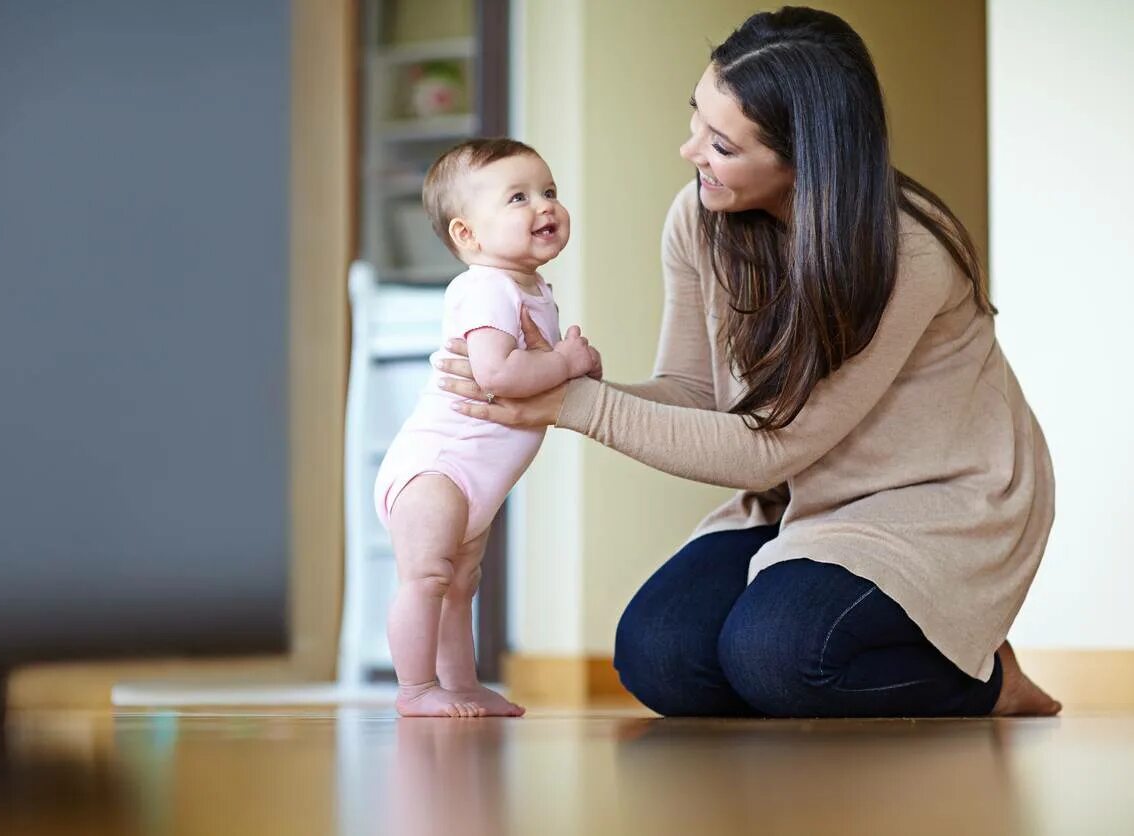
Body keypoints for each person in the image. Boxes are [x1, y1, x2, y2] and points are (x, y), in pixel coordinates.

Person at [437, 7, 1061, 718]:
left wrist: (571, 406)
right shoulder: (699, 217)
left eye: (722, 144)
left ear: (805, 163)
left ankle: (983, 676)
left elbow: (772, 447)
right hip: (804, 497)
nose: (689, 150)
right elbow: (693, 393)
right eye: (696, 117)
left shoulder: (908, 252)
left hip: (936, 503)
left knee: (779, 656)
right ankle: (843, 645)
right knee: (659, 657)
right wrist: (566, 381)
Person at [375, 138, 601, 718]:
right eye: (518, 198)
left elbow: (540, 384)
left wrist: (570, 372)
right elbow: (497, 373)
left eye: (549, 192)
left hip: (472, 479)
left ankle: (461, 685)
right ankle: (416, 689)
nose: (544, 206)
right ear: (467, 235)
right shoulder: (485, 287)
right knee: (427, 578)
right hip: (437, 469)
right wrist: (567, 363)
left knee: (459, 588)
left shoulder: (531, 288)